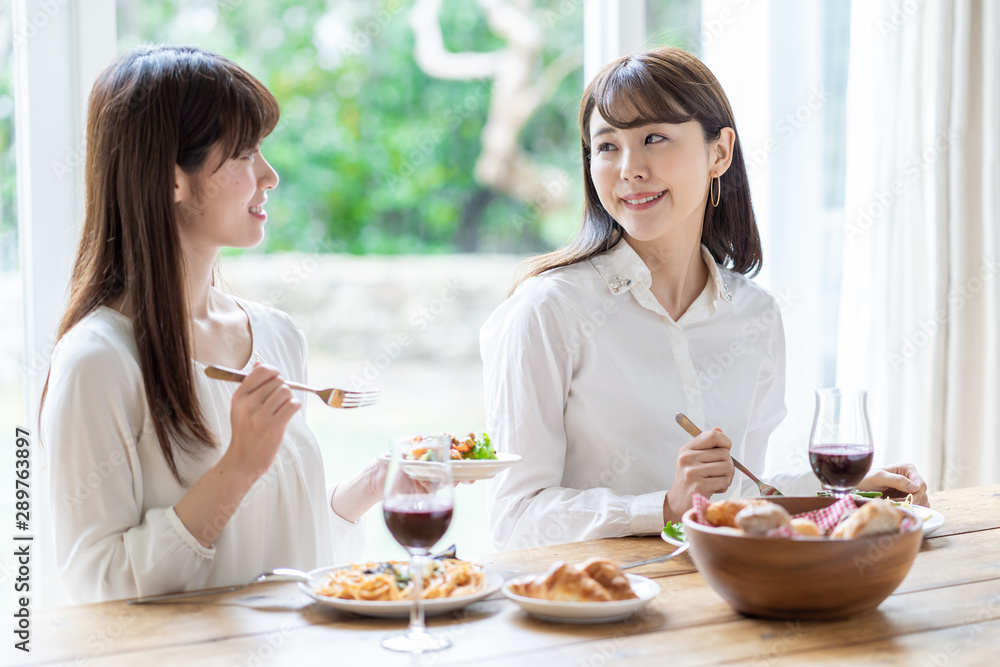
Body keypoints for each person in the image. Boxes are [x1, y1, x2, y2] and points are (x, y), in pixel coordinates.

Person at [481, 46, 928, 551]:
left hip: (725, 597)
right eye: (607, 146)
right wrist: (664, 507)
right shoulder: (547, 311)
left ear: (720, 152)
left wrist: (844, 493)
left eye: (654, 138)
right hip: (596, 606)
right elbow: (513, 518)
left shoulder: (755, 315)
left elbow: (744, 493)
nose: (629, 168)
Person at [39, 45, 385, 603]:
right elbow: (97, 589)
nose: (269, 176)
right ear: (172, 178)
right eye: (246, 154)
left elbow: (277, 546)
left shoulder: (276, 335)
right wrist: (239, 467)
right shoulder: (97, 362)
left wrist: (366, 489)